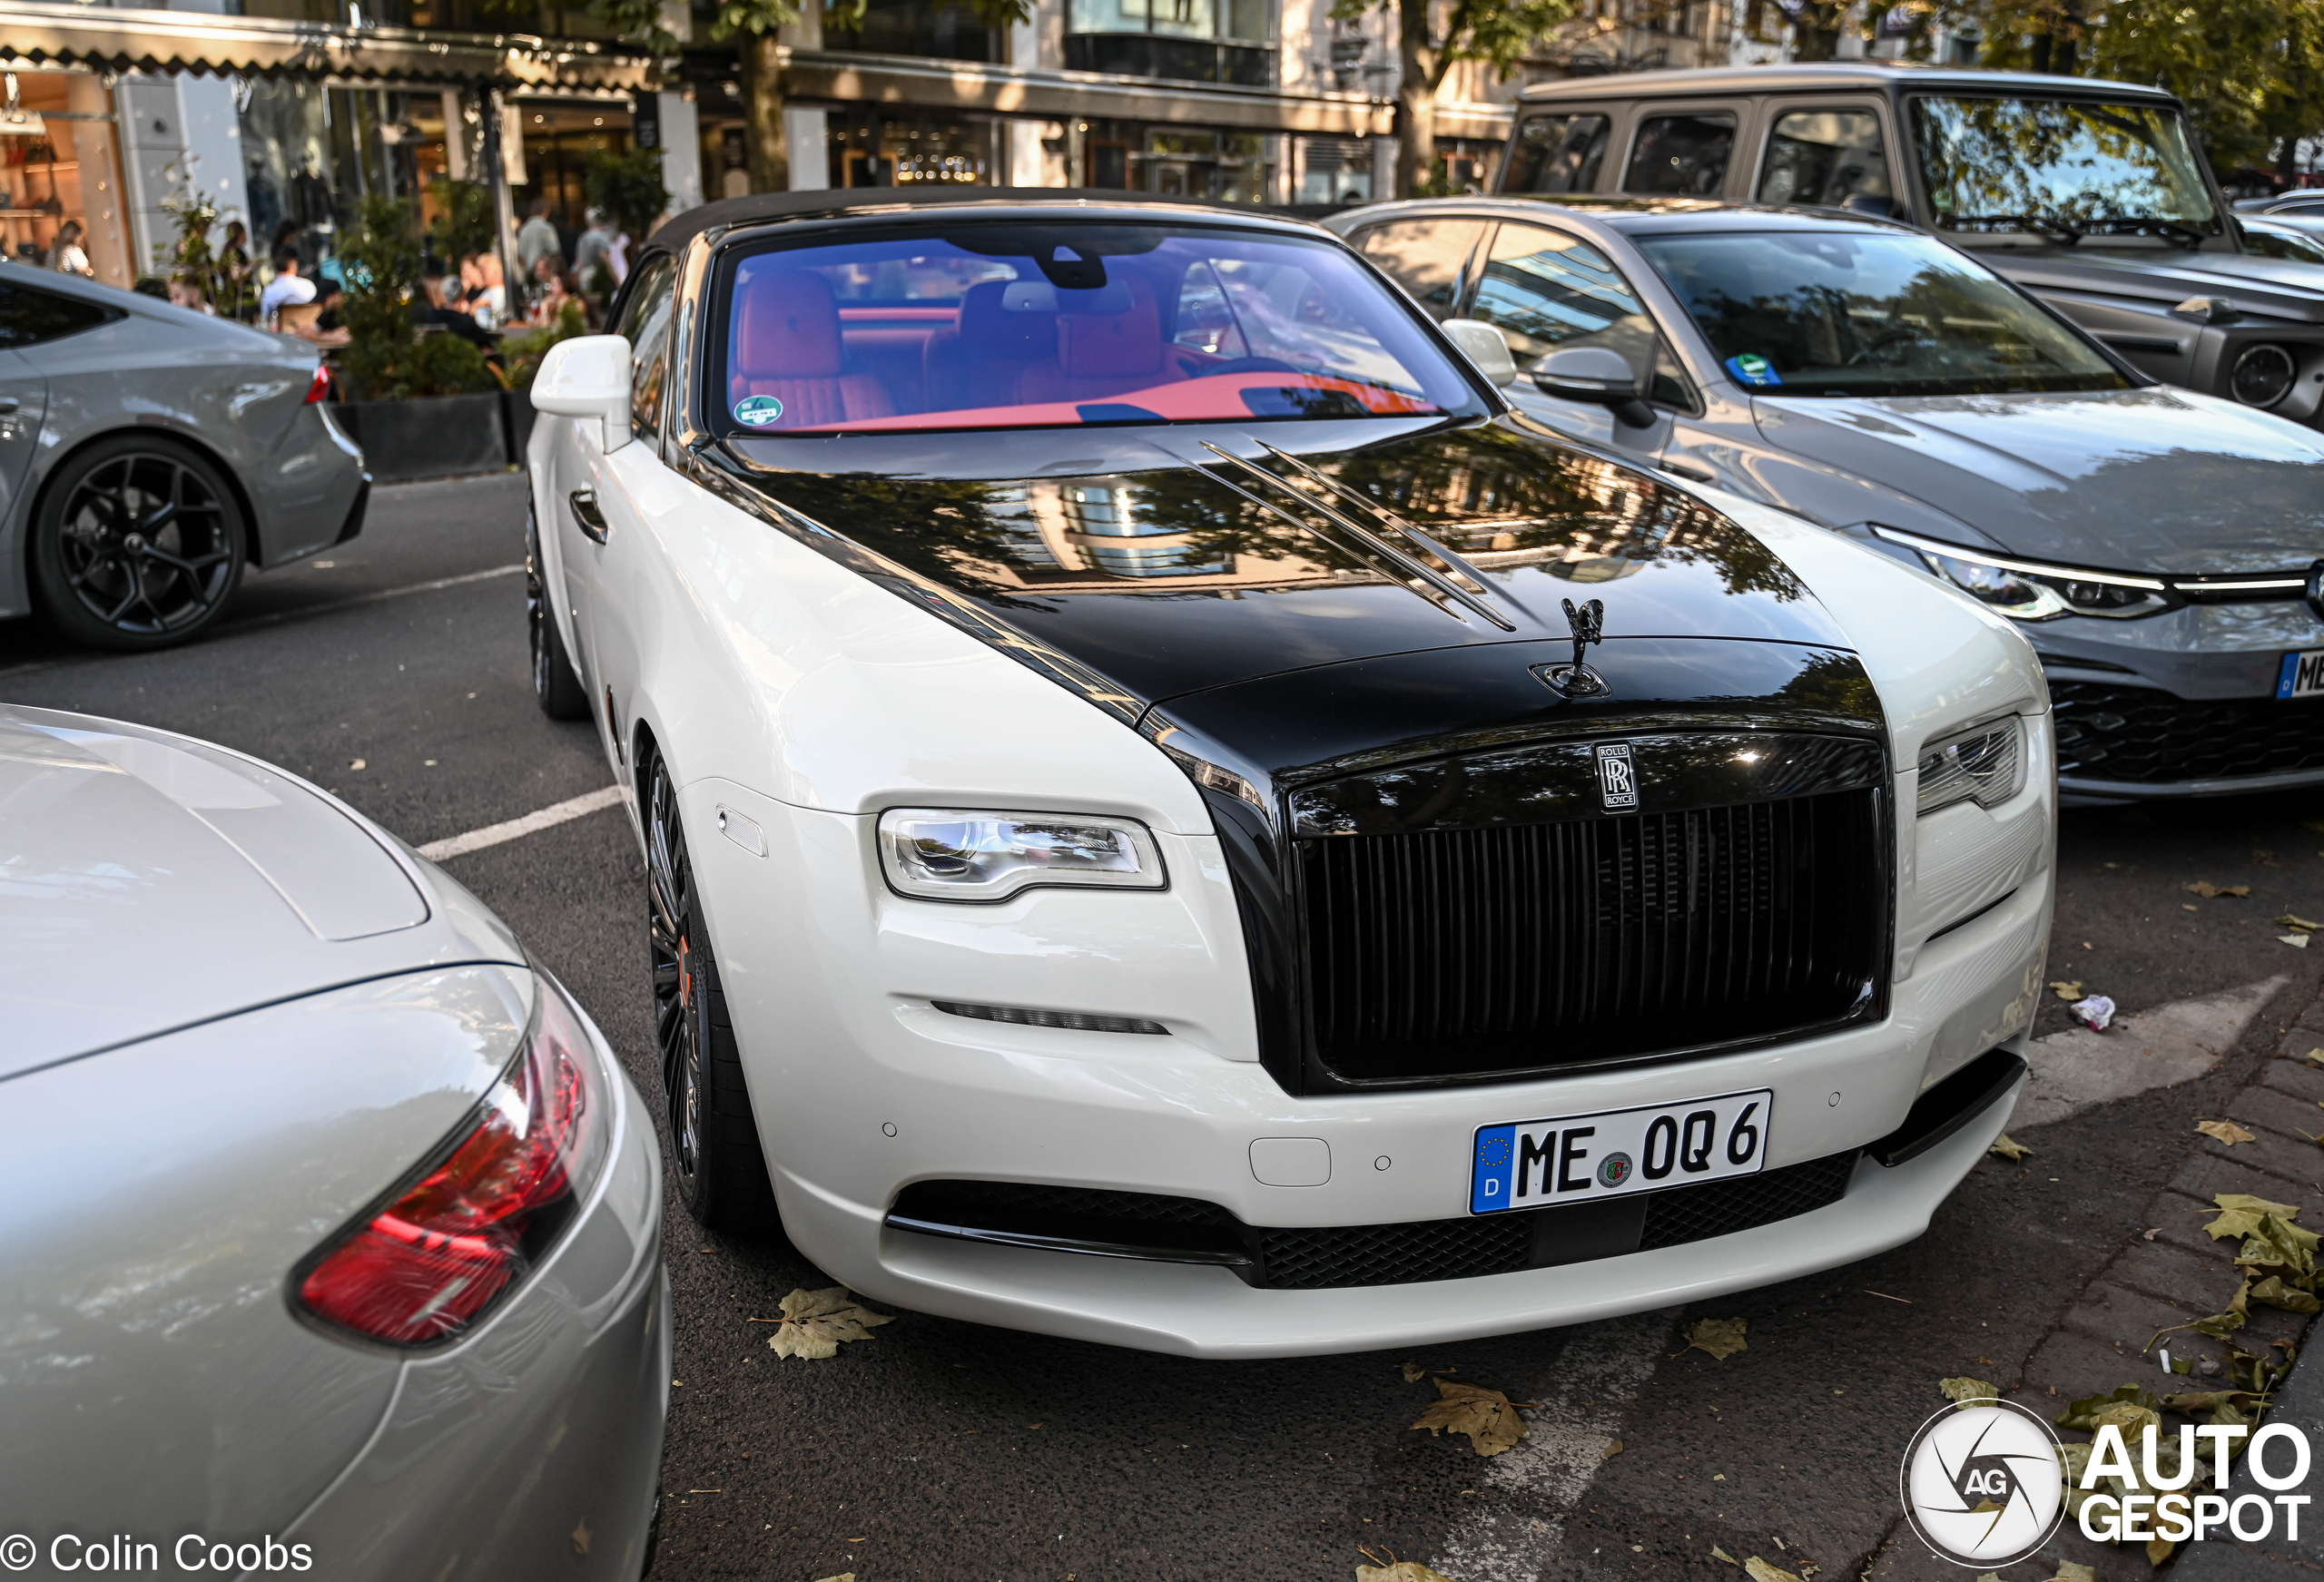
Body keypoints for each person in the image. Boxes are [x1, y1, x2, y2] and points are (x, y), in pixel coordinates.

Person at [260, 251, 316, 325]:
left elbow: (265, 314)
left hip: (280, 332)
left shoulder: (269, 291)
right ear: (292, 266)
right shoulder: (308, 285)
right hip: (306, 328)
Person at [517, 196, 562, 283]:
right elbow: (555, 253)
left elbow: (521, 256)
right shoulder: (547, 228)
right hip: (546, 275)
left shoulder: (523, 230)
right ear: (546, 210)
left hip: (529, 275)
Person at [573, 209, 619, 294]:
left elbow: (579, 262)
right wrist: (616, 280)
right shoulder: (601, 237)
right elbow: (606, 260)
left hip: (584, 278)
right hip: (598, 279)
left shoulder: (583, 237)